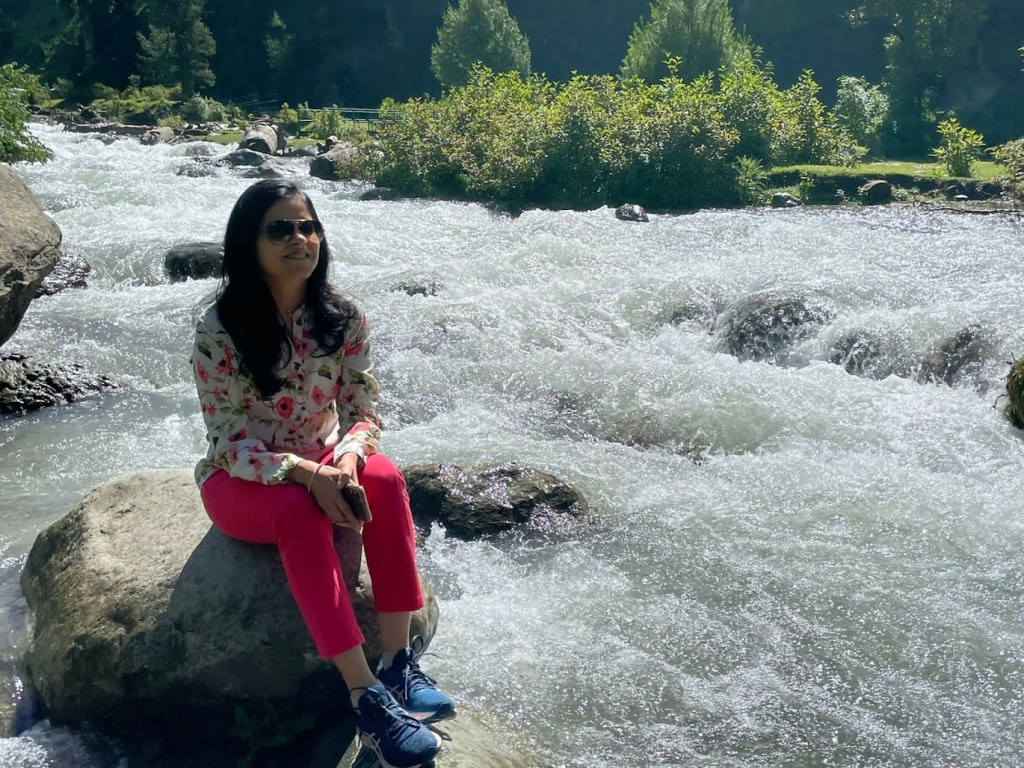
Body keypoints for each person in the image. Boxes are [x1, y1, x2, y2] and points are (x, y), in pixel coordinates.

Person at [191, 179, 454, 768]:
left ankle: (398, 663)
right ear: (248, 243)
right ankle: (365, 696)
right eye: (280, 229)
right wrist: (306, 473)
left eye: (308, 227)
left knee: (384, 480)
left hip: (330, 459)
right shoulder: (218, 328)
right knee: (298, 510)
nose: (300, 239)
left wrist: (350, 460)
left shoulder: (343, 316)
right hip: (243, 477)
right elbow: (228, 441)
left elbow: (363, 412)